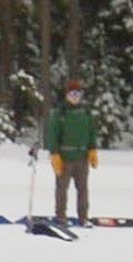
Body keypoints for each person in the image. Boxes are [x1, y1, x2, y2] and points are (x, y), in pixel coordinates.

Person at [47, 78, 99, 228]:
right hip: (65, 157)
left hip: (82, 157)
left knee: (82, 189)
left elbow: (91, 132)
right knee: (62, 188)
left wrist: (92, 149)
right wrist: (54, 154)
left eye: (77, 94)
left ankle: (84, 217)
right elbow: (53, 134)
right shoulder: (60, 113)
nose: (75, 97)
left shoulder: (86, 112)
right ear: (67, 95)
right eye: (72, 94)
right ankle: (61, 216)